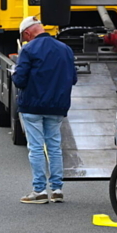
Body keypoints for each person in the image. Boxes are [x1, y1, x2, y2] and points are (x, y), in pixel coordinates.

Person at [12, 16, 77, 204]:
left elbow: (20, 80)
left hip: (32, 106)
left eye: (25, 38)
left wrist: (15, 73)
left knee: (36, 148)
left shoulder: (28, 49)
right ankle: (57, 189)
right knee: (55, 147)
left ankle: (39, 190)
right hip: (57, 106)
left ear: (27, 33)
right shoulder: (65, 49)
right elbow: (72, 79)